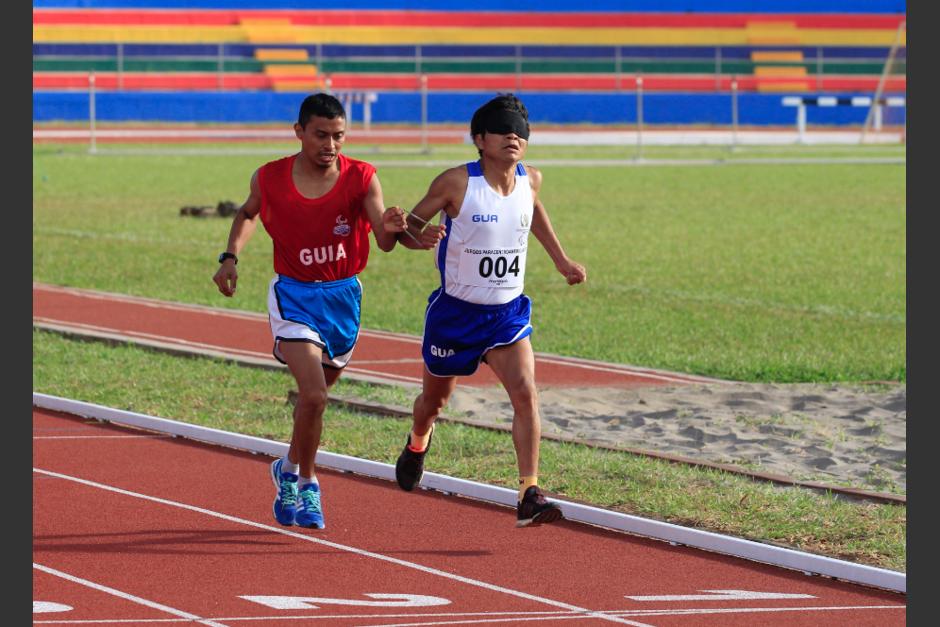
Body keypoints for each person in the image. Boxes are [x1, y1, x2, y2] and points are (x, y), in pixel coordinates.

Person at [212, 93, 442, 529]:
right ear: (299, 132)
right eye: (320, 135)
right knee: (314, 395)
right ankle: (307, 484)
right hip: (294, 296)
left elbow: (385, 238)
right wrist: (229, 257)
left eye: (338, 135)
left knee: (314, 403)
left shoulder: (362, 178)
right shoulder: (270, 177)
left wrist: (398, 229)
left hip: (342, 299)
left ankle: (286, 466)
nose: (330, 144)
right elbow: (247, 213)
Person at [393, 93, 587, 527]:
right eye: (502, 129)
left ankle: (528, 492)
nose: (513, 136)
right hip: (456, 315)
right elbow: (409, 228)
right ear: (479, 139)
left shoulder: (531, 179)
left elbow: (533, 212)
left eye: (520, 129)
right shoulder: (455, 183)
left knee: (525, 393)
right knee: (434, 402)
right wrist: (412, 236)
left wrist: (561, 261)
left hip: (506, 314)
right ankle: (418, 441)